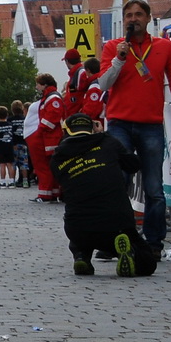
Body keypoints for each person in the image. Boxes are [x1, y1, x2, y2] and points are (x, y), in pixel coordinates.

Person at [97, 0, 171, 252]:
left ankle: (153, 242)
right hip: (120, 124)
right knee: (118, 182)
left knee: (154, 187)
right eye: (129, 15)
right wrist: (119, 59)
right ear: (123, 20)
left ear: (148, 18)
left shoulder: (165, 47)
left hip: (150, 125)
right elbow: (103, 84)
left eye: (139, 14)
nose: (133, 19)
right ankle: (114, 238)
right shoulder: (113, 48)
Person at [53, 113, 156, 277]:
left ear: (66, 131)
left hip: (78, 226)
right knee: (147, 262)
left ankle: (81, 256)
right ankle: (127, 252)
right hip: (117, 223)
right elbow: (134, 164)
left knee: (79, 222)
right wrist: (104, 135)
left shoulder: (58, 157)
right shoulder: (108, 142)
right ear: (92, 128)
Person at [25, 73, 62, 202]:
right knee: (50, 167)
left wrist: (40, 130)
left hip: (50, 138)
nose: (36, 87)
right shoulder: (50, 97)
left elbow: (52, 117)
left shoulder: (52, 98)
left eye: (38, 84)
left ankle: (45, 194)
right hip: (49, 137)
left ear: (44, 85)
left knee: (44, 167)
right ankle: (53, 193)